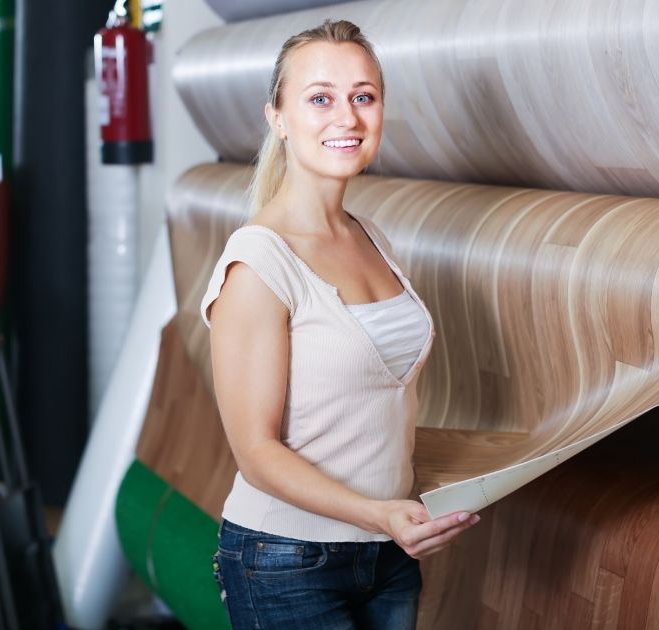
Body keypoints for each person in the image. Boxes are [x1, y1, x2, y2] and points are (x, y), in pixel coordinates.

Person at [199, 19, 480, 629]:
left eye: (364, 96)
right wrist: (377, 513)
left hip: (388, 554)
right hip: (285, 561)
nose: (347, 117)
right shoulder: (259, 262)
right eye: (320, 98)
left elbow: (374, 405)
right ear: (278, 116)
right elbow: (256, 452)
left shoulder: (368, 235)